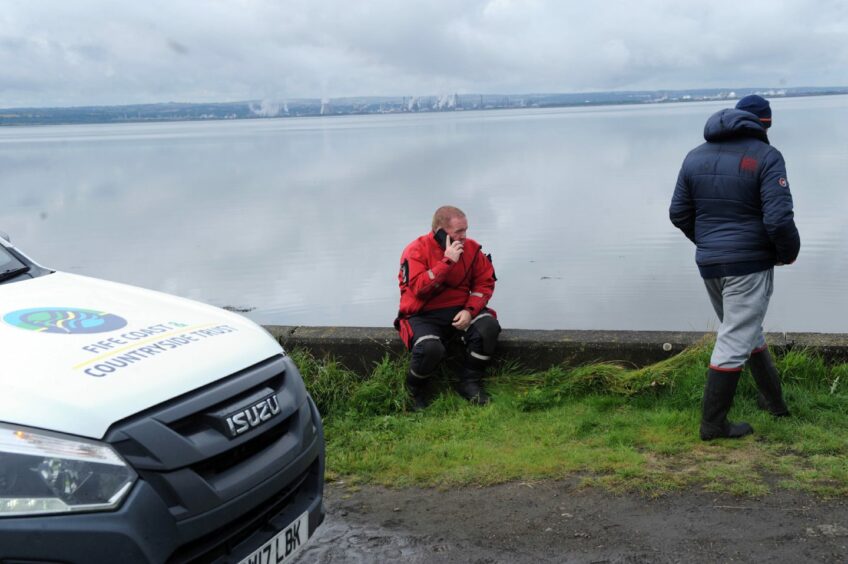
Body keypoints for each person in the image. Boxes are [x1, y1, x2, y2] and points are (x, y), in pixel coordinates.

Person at [670, 94, 800, 441]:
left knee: (746, 329)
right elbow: (778, 218)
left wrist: (710, 241)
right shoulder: (767, 156)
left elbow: (678, 214)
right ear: (764, 124)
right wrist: (789, 252)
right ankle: (713, 423)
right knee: (734, 338)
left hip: (710, 263)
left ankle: (775, 403)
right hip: (748, 264)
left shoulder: (694, 157)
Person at [394, 205, 500, 410]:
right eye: (459, 231)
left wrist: (470, 310)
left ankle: (469, 383)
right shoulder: (415, 250)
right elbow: (418, 289)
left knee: (488, 327)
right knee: (429, 348)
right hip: (422, 314)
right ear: (440, 231)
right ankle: (414, 390)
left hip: (459, 311)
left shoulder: (472, 249)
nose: (464, 236)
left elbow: (484, 283)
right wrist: (447, 262)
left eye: (466, 230)